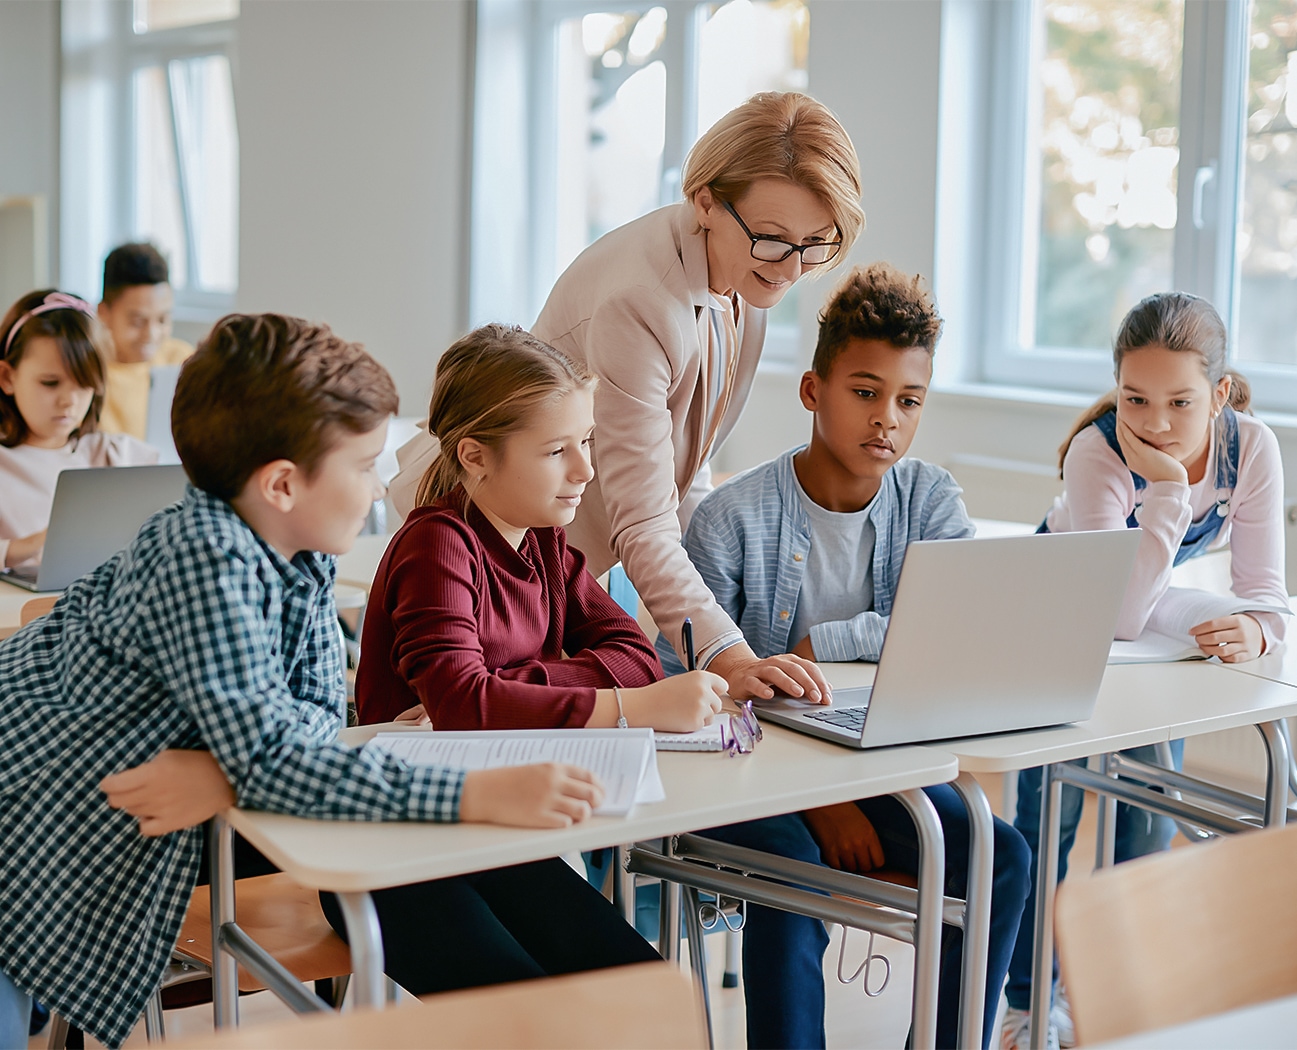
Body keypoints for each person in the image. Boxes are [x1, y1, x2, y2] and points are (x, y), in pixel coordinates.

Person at [0, 313, 644, 1050]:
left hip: (105, 821)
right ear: (282, 483)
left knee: (553, 927)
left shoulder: (298, 557)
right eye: (365, 465)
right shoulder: (204, 557)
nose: (378, 493)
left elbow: (310, 724)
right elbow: (284, 754)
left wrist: (234, 773)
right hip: (26, 831)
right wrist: (474, 790)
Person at [657, 263, 1031, 1050]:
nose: (885, 420)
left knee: (1004, 855)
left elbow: (958, 630)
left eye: (908, 400)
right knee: (790, 869)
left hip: (884, 770)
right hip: (751, 785)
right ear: (812, 391)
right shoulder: (730, 520)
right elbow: (682, 686)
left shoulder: (928, 499)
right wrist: (822, 799)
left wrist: (820, 644)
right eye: (864, 392)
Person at [390, 91, 863, 705]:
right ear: (706, 202)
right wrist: (727, 652)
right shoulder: (641, 299)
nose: (792, 267)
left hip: (553, 560)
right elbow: (643, 516)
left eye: (815, 242)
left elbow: (682, 480)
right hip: (479, 546)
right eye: (774, 238)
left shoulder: (750, 276)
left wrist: (733, 631)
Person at [1001, 291, 1288, 1050]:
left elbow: (1265, 592)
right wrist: (1163, 487)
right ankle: (1030, 1005)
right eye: (1135, 398)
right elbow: (1112, 615)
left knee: (1149, 807)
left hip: (1139, 602)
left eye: (1179, 401)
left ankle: (1129, 1002)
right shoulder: (1098, 451)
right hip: (1061, 608)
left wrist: (1256, 631)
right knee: (1048, 816)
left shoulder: (1251, 448)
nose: (1153, 422)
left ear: (1219, 394)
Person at [355, 323, 728, 734]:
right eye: (556, 451)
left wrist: (497, 694)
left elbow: (638, 658)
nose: (585, 470)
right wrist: (628, 706)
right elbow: (463, 706)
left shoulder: (543, 540)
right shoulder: (436, 546)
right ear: (475, 457)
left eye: (586, 441)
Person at [0, 289, 157, 571]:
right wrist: (25, 546)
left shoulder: (113, 454)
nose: (69, 401)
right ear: (7, 377)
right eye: (50, 383)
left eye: (84, 385)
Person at [96, 242, 194, 439]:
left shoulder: (183, 360)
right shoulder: (88, 372)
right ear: (104, 313)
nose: (151, 334)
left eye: (162, 319)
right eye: (138, 322)